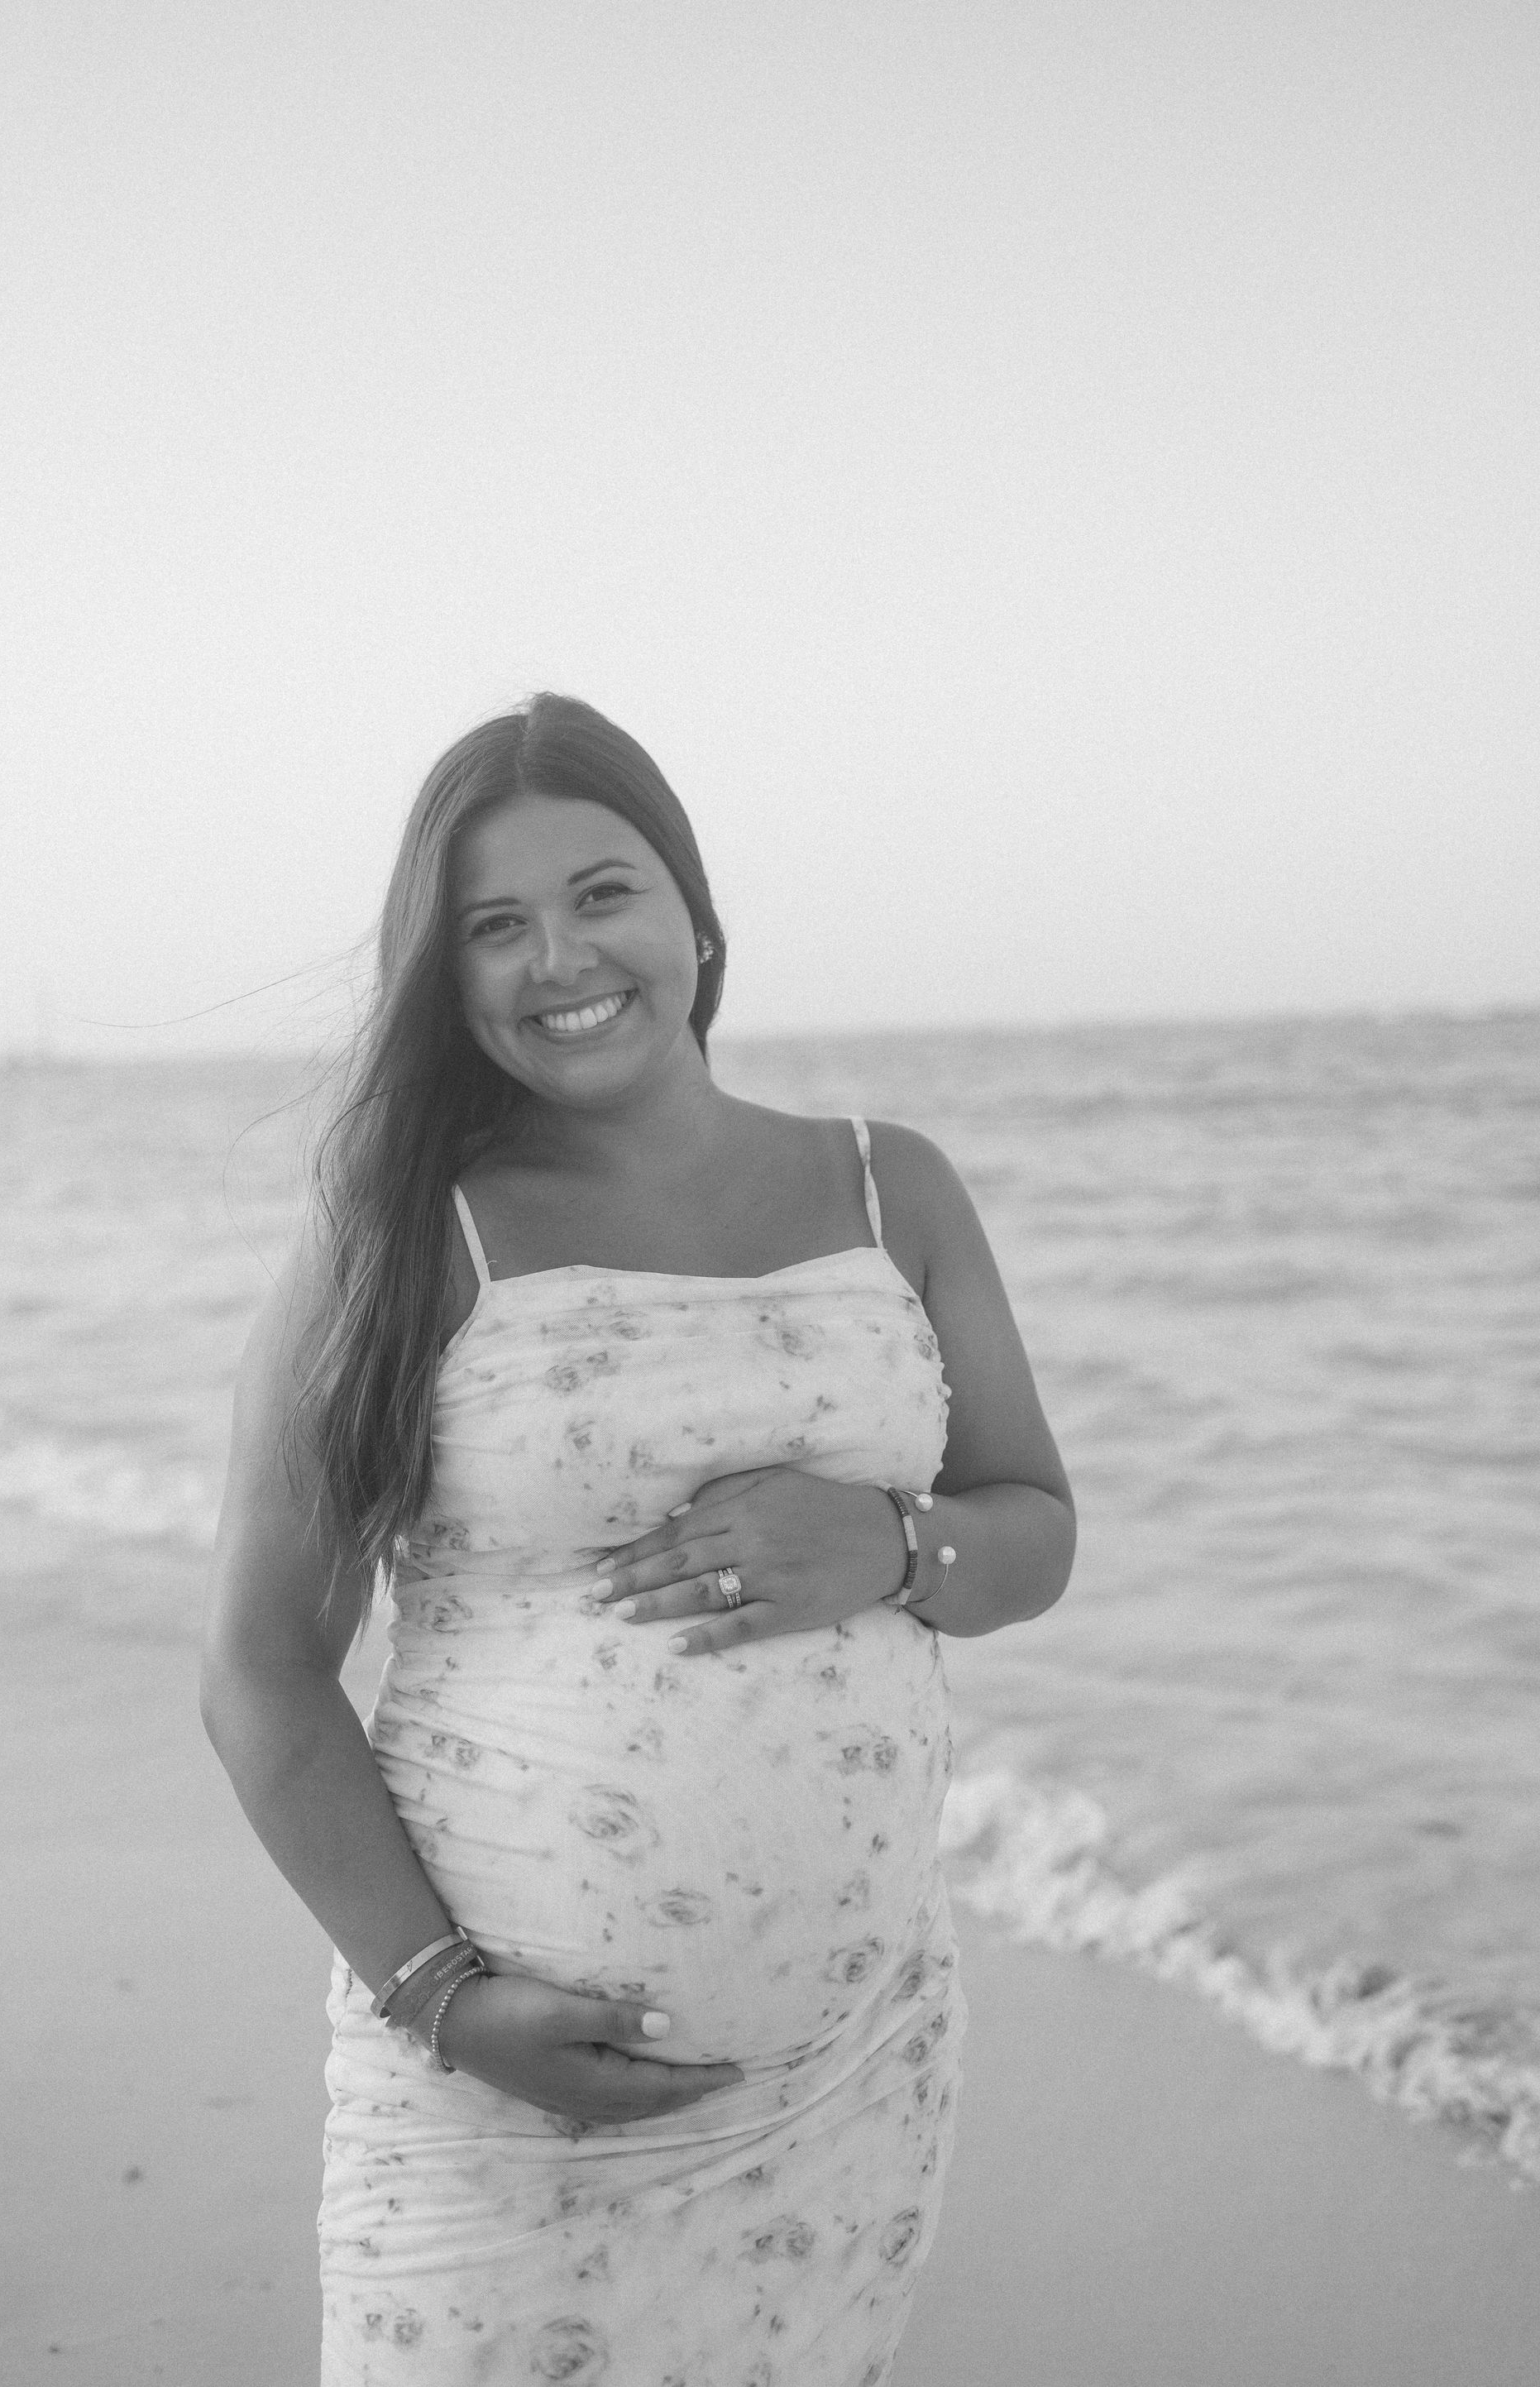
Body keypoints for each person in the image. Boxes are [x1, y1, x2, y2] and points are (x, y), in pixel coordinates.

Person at [201, 692, 1076, 2386]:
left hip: (851, 2070)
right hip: (494, 2096)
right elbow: (259, 1670)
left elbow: (1033, 1530)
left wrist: (895, 1547)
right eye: (494, 926)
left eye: (603, 893)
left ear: (690, 909)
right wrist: (445, 1997)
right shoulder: (399, 1231)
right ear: (443, 975)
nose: (560, 958)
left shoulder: (896, 1189)